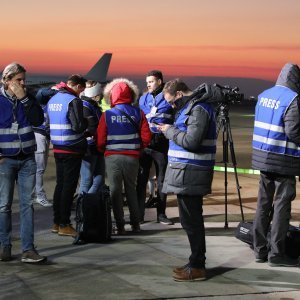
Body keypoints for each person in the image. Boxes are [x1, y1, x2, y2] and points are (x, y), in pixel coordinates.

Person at [157, 79, 217, 281]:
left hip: (193, 172)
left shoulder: (199, 109)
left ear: (180, 94)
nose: (173, 106)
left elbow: (191, 141)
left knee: (192, 221)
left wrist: (169, 131)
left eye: (172, 102)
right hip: (186, 172)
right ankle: (194, 261)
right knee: (188, 220)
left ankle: (198, 265)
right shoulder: (191, 108)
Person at [252, 63, 300, 267]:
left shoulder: (264, 95)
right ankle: (277, 254)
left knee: (263, 205)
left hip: (263, 158)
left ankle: (259, 250)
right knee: (281, 206)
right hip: (284, 159)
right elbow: (294, 132)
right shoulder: (293, 99)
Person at [0, 62, 47, 263]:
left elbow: (37, 121)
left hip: (27, 158)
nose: (22, 83)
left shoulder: (28, 99)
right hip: (6, 160)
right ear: (6, 80)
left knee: (27, 205)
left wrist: (24, 99)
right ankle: (5, 247)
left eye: (24, 80)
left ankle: (28, 249)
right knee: (4, 206)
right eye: (18, 80)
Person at [96, 78, 151, 234]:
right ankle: (136, 224)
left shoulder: (107, 115)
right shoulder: (138, 113)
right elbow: (146, 137)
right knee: (131, 190)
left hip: (112, 157)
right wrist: (138, 149)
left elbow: (100, 139)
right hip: (132, 157)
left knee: (115, 191)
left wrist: (103, 150)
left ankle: (120, 226)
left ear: (112, 96)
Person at [47, 74, 87, 237]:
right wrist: (87, 123)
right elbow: (78, 126)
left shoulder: (53, 100)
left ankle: (56, 222)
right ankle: (64, 223)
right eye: (81, 90)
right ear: (77, 86)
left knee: (60, 185)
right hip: (72, 148)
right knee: (69, 188)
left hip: (57, 147)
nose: (81, 94)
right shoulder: (73, 100)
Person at [137, 70, 174, 225]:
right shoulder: (143, 98)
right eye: (147, 82)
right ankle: (138, 214)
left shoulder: (168, 97)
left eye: (151, 82)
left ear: (159, 81)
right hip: (145, 145)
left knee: (161, 181)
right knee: (141, 179)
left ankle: (161, 214)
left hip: (161, 146)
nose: (148, 85)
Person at [32, 87, 58, 207]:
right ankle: (39, 196)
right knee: (39, 169)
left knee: (38, 169)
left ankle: (33, 194)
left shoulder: (49, 104)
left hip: (44, 136)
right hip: (38, 136)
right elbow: (41, 92)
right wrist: (56, 91)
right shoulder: (39, 101)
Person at [79, 80, 105, 194]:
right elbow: (93, 127)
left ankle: (88, 202)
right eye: (100, 95)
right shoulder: (86, 106)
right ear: (95, 95)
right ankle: (83, 204)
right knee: (87, 179)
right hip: (89, 146)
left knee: (99, 177)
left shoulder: (92, 106)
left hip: (96, 145)